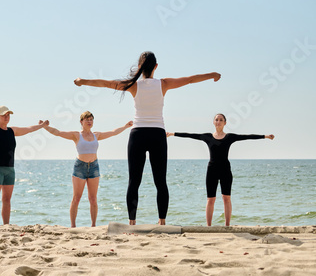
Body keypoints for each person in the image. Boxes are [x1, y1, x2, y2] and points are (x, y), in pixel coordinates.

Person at [74, 51, 221, 225]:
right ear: (156, 67)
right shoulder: (164, 84)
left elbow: (106, 83)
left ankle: (132, 222)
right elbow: (189, 79)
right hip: (157, 134)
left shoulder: (133, 85)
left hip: (138, 135)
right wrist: (212, 74)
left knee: (134, 182)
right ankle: (162, 222)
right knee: (161, 182)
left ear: (139, 67)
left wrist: (83, 81)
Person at [167, 113, 275, 226]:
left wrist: (265, 136)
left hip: (225, 171)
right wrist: (172, 134)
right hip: (212, 170)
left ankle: (227, 226)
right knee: (210, 199)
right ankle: (208, 227)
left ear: (225, 123)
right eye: (216, 120)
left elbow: (247, 136)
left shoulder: (229, 137)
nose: (218, 121)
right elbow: (190, 135)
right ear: (213, 122)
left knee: (226, 198)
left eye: (221, 120)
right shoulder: (207, 136)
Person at [44, 111, 133, 227]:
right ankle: (73, 226)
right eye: (87, 119)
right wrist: (45, 127)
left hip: (94, 167)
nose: (89, 121)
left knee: (93, 199)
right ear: (81, 122)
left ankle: (93, 225)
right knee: (76, 198)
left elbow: (113, 133)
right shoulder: (76, 135)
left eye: (91, 119)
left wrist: (126, 126)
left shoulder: (96, 135)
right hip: (80, 167)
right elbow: (58, 133)